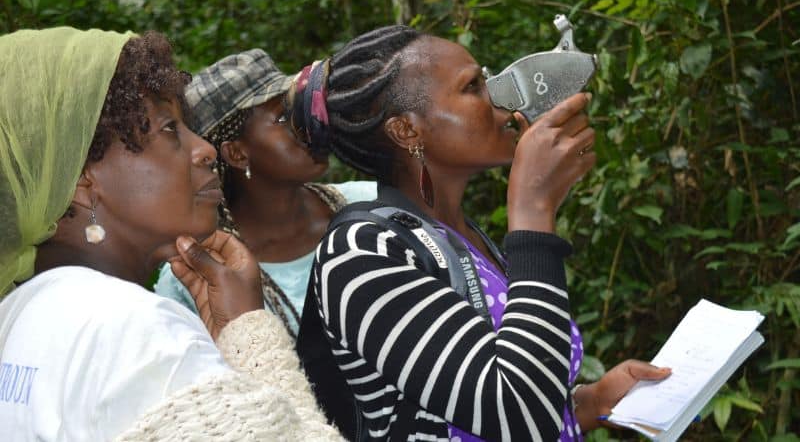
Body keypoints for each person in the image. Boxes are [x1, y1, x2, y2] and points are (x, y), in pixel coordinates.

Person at [292, 25, 671, 441]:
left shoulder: (459, 237)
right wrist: (533, 212)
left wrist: (590, 402)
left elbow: (514, 388)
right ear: (407, 131)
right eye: (473, 86)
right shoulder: (361, 252)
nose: (500, 97)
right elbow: (516, 416)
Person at [0, 28, 342, 441]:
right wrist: (250, 335)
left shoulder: (17, 315)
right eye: (169, 130)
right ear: (83, 177)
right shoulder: (139, 332)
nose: (205, 150)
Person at [155, 50, 376, 338]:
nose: (306, 124)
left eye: (300, 109)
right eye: (284, 118)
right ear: (236, 153)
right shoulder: (198, 276)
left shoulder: (369, 205)